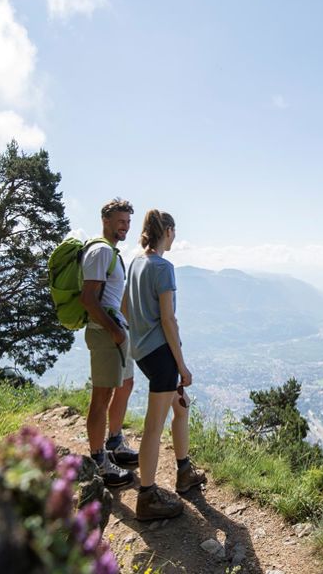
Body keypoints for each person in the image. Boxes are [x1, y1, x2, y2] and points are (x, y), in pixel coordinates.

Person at [124, 209, 205, 520]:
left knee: (180, 409)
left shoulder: (135, 264)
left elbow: (125, 307)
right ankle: (146, 497)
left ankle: (184, 472)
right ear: (167, 231)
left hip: (143, 351)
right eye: (175, 231)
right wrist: (181, 367)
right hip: (162, 357)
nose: (175, 237)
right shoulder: (163, 267)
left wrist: (139, 334)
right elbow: (169, 319)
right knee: (153, 427)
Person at [81, 198, 139, 487]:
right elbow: (88, 299)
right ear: (105, 220)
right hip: (104, 333)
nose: (124, 226)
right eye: (120, 221)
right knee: (101, 398)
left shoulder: (113, 252)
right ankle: (98, 461)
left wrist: (124, 329)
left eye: (128, 221)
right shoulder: (101, 252)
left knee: (126, 384)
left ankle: (115, 442)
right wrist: (114, 331)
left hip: (116, 331)